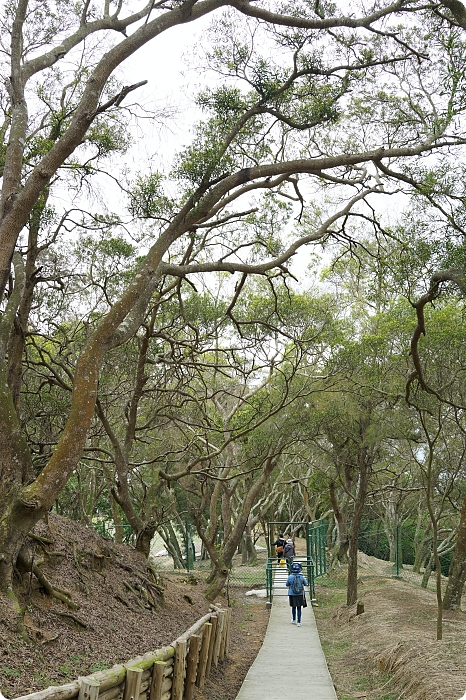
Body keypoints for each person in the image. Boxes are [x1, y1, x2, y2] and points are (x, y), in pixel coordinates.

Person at [286, 562, 308, 626]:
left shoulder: (290, 577)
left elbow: (287, 584)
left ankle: (293, 619)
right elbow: (306, 584)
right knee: (299, 608)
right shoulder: (301, 577)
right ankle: (299, 622)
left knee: (293, 607)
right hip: (300, 594)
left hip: (292, 594)